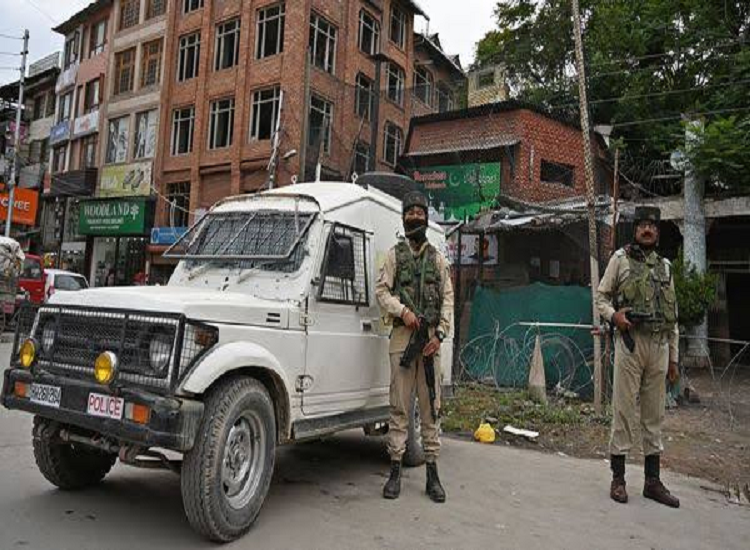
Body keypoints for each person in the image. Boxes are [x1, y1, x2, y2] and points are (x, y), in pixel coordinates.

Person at [596, 206, 680, 508]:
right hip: (631, 344)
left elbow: (674, 317)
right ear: (635, 230)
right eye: (642, 225)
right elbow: (601, 297)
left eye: (652, 226)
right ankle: (618, 479)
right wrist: (614, 316)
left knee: (654, 415)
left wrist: (674, 358)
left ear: (658, 232)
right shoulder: (620, 260)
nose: (647, 230)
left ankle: (652, 482)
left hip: (659, 346)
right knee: (623, 411)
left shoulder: (666, 267)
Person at [375, 190, 454, 503]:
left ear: (426, 217)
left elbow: (448, 299)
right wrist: (404, 312)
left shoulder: (438, 259)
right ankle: (395, 470)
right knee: (398, 406)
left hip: (430, 342)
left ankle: (432, 474)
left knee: (430, 409)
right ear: (404, 217)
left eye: (420, 213)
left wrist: (440, 334)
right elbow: (382, 292)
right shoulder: (393, 256)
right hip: (402, 339)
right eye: (411, 213)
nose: (416, 217)